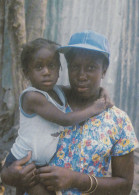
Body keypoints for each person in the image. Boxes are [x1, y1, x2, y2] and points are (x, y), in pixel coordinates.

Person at [1, 31, 138, 195]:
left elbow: (124, 186)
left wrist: (77, 180)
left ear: (104, 70)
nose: (81, 75)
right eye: (75, 67)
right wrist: (8, 176)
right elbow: (23, 150)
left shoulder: (118, 121)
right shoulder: (49, 101)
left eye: (91, 67)